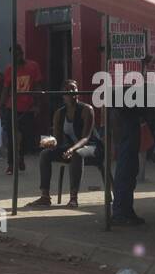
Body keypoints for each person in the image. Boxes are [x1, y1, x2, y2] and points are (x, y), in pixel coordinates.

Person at [26, 80, 100, 208]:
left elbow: (86, 138)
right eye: (67, 90)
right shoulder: (59, 113)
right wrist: (49, 142)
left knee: (77, 153)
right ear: (62, 94)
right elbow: (58, 140)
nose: (71, 92)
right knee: (45, 154)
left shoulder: (87, 110)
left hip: (91, 147)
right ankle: (45, 196)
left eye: (74, 89)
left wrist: (71, 149)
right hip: (70, 148)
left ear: (78, 92)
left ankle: (73, 198)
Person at [0, 44, 41, 174]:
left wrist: (37, 105)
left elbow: (38, 86)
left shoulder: (33, 66)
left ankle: (21, 157)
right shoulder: (9, 69)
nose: (18, 57)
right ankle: (11, 164)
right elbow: (5, 89)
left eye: (19, 54)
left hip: (27, 108)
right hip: (11, 107)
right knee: (12, 136)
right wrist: (0, 106)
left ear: (22, 53)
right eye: (15, 55)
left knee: (25, 136)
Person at [111, 96, 147, 226]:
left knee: (131, 170)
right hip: (125, 119)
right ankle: (120, 212)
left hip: (129, 118)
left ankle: (126, 209)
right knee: (125, 170)